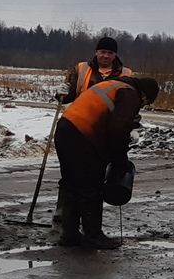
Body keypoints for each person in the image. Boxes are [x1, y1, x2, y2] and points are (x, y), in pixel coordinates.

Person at [53, 74, 159, 250]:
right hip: (82, 134)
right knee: (90, 185)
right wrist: (120, 159)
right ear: (145, 95)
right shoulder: (129, 93)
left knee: (71, 183)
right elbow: (118, 128)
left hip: (65, 130)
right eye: (146, 103)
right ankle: (93, 236)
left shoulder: (113, 85)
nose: (142, 106)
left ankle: (69, 234)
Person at [63, 36, 131, 104]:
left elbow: (132, 102)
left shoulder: (126, 74)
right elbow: (68, 97)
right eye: (103, 52)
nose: (106, 56)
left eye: (110, 53)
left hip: (113, 114)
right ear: (96, 52)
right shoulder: (81, 69)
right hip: (83, 112)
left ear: (115, 55)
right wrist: (62, 93)